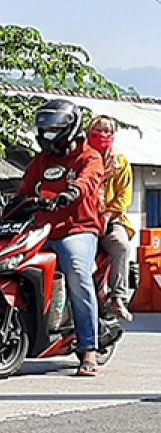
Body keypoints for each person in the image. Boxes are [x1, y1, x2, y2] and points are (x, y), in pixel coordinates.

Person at [16, 99, 105, 377]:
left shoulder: (89, 157)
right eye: (44, 130)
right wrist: (12, 205)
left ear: (70, 128)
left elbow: (88, 180)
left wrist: (72, 193)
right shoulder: (41, 162)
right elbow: (24, 190)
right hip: (42, 230)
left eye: (53, 130)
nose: (47, 136)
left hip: (78, 229)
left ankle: (89, 348)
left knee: (78, 274)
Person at [88, 115, 135, 322]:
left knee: (121, 245)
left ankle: (118, 298)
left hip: (112, 218)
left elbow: (124, 196)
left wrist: (107, 214)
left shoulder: (120, 161)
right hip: (83, 218)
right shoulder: (83, 158)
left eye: (107, 131)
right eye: (98, 130)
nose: (102, 134)